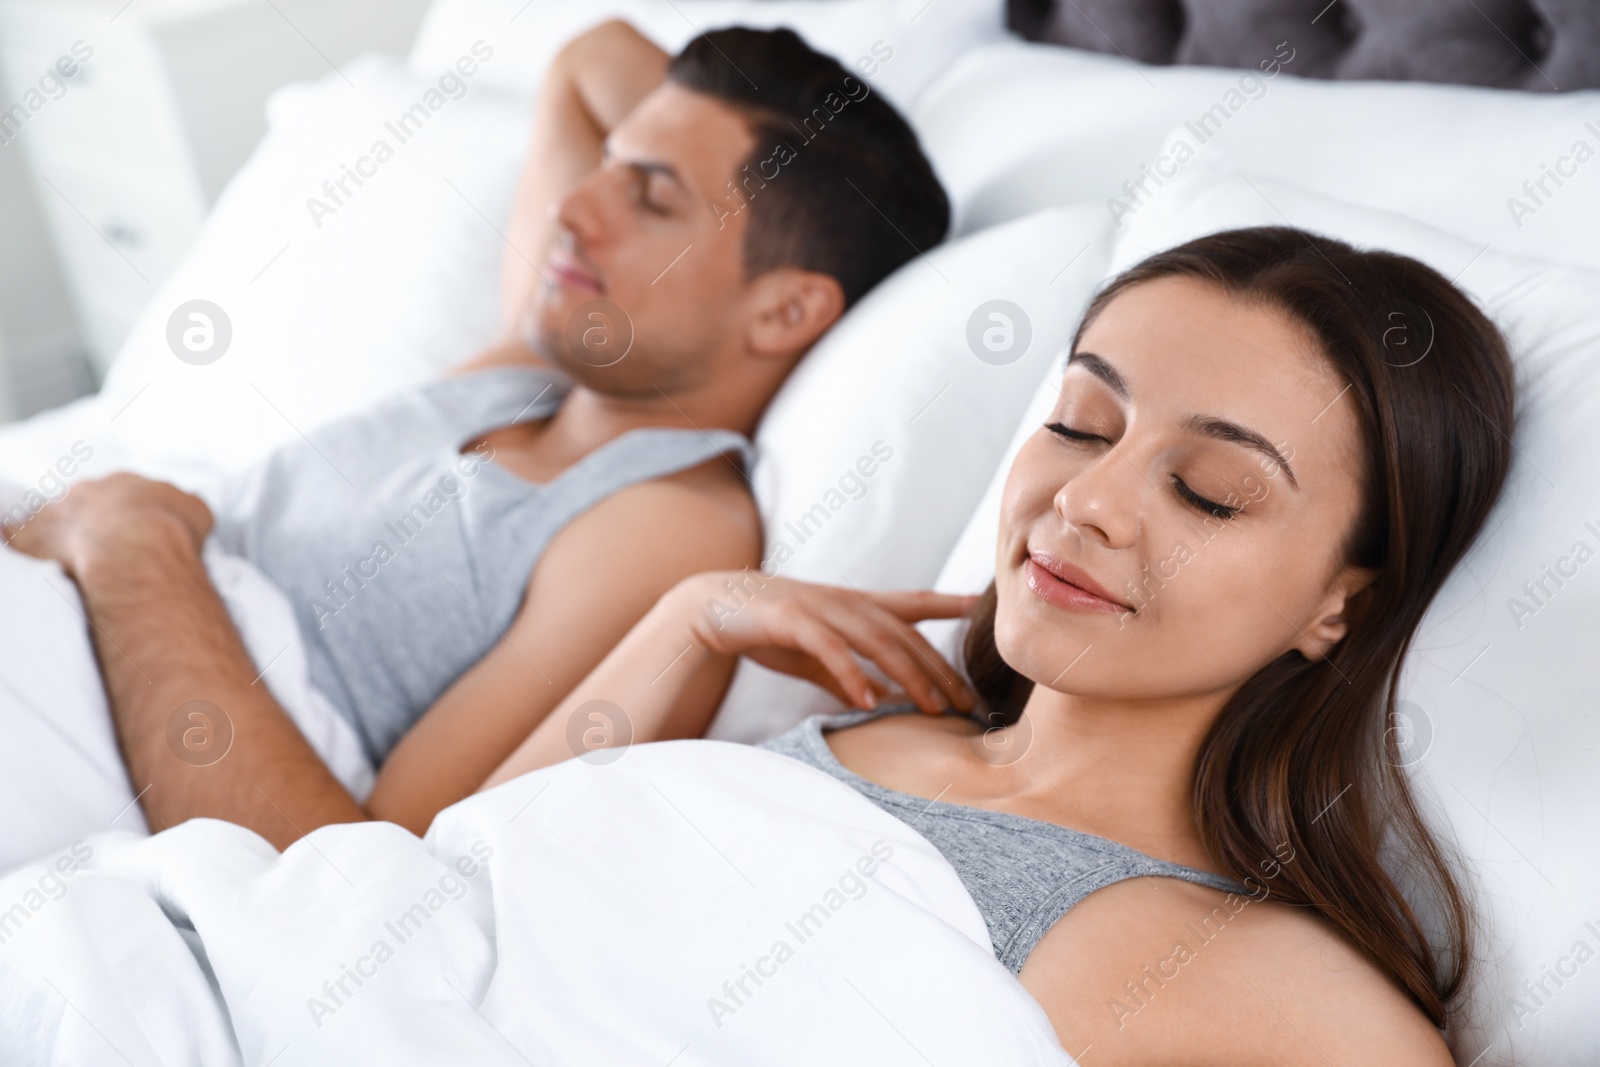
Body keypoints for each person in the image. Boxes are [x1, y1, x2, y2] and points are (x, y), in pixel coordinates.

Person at [472, 226, 1511, 1062]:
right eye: (1081, 422)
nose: (1087, 497)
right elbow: (454, 871)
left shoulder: (1258, 980)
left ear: (1341, 607)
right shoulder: (870, 722)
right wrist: (687, 620)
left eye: (1208, 491)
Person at [2, 22, 948, 840]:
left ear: (786, 313)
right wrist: (740, 142)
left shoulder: (662, 521)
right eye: (611, 167)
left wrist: (130, 541)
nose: (576, 211)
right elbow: (589, 59)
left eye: (650, 198)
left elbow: (357, 872)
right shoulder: (529, 374)